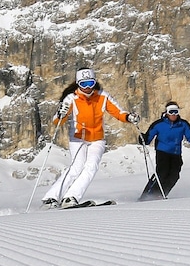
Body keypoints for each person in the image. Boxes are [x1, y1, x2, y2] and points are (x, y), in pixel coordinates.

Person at [42, 68, 139, 209]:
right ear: (78, 83)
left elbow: (118, 112)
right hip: (78, 138)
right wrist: (60, 114)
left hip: (97, 139)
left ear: (94, 82)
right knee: (76, 167)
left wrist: (129, 117)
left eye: (90, 83)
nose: (87, 87)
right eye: (83, 84)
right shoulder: (71, 98)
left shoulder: (102, 96)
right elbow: (58, 121)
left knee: (91, 167)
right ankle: (51, 198)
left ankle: (71, 197)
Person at [139, 101, 190, 199]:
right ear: (167, 112)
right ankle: (148, 196)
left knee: (174, 176)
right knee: (162, 173)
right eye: (171, 112)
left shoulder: (183, 124)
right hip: (162, 153)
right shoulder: (159, 124)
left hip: (176, 154)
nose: (173, 114)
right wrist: (143, 138)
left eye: (176, 111)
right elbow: (148, 138)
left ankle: (160, 194)